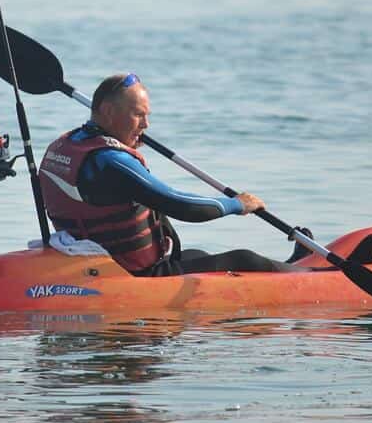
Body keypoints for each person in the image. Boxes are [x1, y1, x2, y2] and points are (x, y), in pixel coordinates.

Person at [38, 73, 330, 277]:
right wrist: (236, 204)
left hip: (98, 262)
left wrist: (127, 137)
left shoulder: (68, 144)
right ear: (108, 111)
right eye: (138, 115)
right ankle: (318, 276)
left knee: (197, 255)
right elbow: (180, 205)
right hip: (135, 273)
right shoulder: (111, 162)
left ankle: (292, 264)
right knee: (243, 259)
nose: (146, 124)